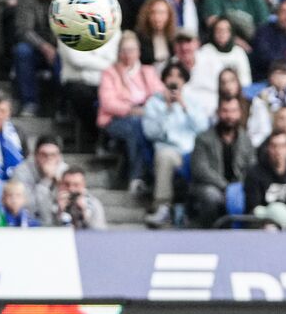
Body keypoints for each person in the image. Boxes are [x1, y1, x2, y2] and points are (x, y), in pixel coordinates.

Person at [143, 63, 212, 227]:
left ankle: (197, 209)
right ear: (164, 79)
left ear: (185, 81)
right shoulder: (154, 103)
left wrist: (184, 106)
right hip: (170, 151)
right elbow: (150, 132)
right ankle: (162, 206)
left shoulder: (193, 102)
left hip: (193, 151)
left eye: (179, 76)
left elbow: (204, 129)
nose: (174, 80)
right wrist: (167, 109)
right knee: (165, 156)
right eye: (170, 75)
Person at [99, 32, 165, 198]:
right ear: (119, 53)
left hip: (145, 117)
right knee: (136, 125)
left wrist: (147, 108)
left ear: (139, 52)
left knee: (145, 127)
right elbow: (108, 102)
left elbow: (160, 95)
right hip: (117, 119)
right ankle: (137, 177)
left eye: (132, 50)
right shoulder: (110, 73)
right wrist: (130, 109)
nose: (128, 54)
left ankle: (148, 176)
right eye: (124, 50)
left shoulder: (148, 71)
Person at [190, 96, 255, 227]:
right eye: (225, 111)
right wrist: (226, 187)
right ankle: (209, 234)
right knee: (211, 196)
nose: (229, 115)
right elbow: (200, 170)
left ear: (239, 113)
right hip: (213, 186)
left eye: (233, 111)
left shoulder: (245, 139)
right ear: (218, 112)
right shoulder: (203, 138)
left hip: (238, 187)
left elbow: (252, 166)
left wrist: (237, 188)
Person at [11, 0, 63, 116]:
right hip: (36, 47)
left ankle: (62, 106)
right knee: (22, 51)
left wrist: (59, 49)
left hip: (63, 47)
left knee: (66, 56)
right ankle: (29, 102)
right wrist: (44, 47)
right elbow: (24, 30)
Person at [245, 130, 286, 229]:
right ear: (268, 148)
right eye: (274, 146)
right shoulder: (255, 173)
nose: (278, 151)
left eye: (282, 146)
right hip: (261, 225)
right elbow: (253, 208)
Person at [53, 165, 107, 229]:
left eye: (76, 185)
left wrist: (84, 212)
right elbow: (45, 230)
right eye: (67, 184)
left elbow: (100, 232)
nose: (71, 189)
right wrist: (59, 212)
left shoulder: (94, 204)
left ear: (83, 185)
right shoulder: (52, 203)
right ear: (61, 184)